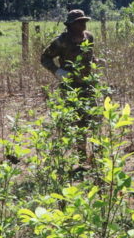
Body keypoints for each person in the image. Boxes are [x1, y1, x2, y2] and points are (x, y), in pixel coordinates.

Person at [41, 9, 99, 157]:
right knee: (73, 121)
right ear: (71, 25)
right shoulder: (61, 41)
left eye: (84, 21)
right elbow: (45, 58)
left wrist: (96, 62)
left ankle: (94, 156)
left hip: (88, 85)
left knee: (93, 118)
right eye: (80, 22)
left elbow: (90, 55)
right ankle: (73, 156)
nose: (83, 24)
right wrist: (57, 71)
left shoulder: (89, 37)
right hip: (70, 86)